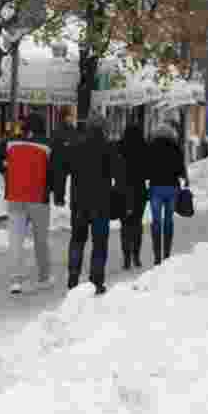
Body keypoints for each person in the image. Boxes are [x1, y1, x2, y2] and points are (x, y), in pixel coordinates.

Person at [55, 114, 123, 294]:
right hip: (101, 204)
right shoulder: (109, 148)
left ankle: (73, 279)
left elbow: (62, 169)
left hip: (79, 204)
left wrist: (60, 194)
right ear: (104, 128)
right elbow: (120, 175)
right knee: (99, 244)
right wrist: (119, 195)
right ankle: (96, 281)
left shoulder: (76, 147)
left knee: (77, 241)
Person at [1, 112, 62, 294]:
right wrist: (56, 193)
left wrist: (8, 174)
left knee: (15, 240)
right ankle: (43, 277)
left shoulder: (11, 143)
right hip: (38, 197)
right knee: (40, 239)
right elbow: (55, 171)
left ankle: (15, 280)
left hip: (15, 196)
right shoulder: (48, 145)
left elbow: (0, 161)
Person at [146, 122, 189, 265]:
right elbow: (181, 169)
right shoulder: (176, 148)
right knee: (169, 221)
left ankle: (157, 256)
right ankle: (167, 254)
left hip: (156, 188)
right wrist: (184, 178)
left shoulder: (151, 148)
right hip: (172, 188)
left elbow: (147, 169)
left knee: (156, 221)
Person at [117, 123, 148, 270]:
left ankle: (126, 257)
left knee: (125, 225)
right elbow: (149, 172)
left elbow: (114, 168)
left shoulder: (119, 147)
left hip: (122, 191)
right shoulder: (144, 148)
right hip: (139, 191)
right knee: (136, 223)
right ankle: (136, 255)